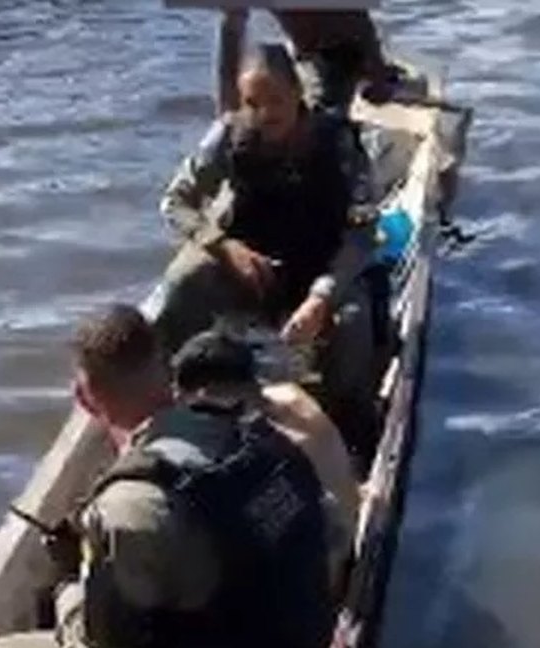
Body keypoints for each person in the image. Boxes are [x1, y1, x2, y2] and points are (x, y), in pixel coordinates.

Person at [0, 305, 356, 648]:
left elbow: (101, 641)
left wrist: (70, 587)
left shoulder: (131, 502)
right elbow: (332, 531)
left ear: (84, 399)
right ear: (168, 370)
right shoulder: (256, 435)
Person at [156, 42, 382, 464]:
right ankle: (174, 405)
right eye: (253, 103)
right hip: (251, 265)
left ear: (298, 92)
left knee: (353, 325)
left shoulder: (337, 142)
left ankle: (344, 437)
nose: (266, 114)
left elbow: (365, 230)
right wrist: (223, 247)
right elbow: (176, 202)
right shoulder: (229, 135)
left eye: (276, 100)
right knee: (182, 285)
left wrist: (323, 294)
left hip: (322, 265)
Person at [215, 8, 399, 114]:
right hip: (304, 49)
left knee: (328, 120)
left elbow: (359, 21)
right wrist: (227, 112)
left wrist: (376, 68)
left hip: (343, 50)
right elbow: (232, 32)